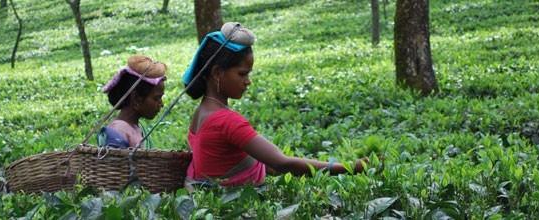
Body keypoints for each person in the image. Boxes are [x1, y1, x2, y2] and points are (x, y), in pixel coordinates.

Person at [183, 22, 371, 188]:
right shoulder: (227, 121)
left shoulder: (200, 114)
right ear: (217, 72)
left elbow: (247, 163)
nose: (248, 81)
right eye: (242, 74)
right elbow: (282, 163)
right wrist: (349, 168)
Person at [98, 55, 166, 148]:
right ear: (136, 99)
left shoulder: (138, 127)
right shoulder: (118, 131)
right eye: (157, 98)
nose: (161, 104)